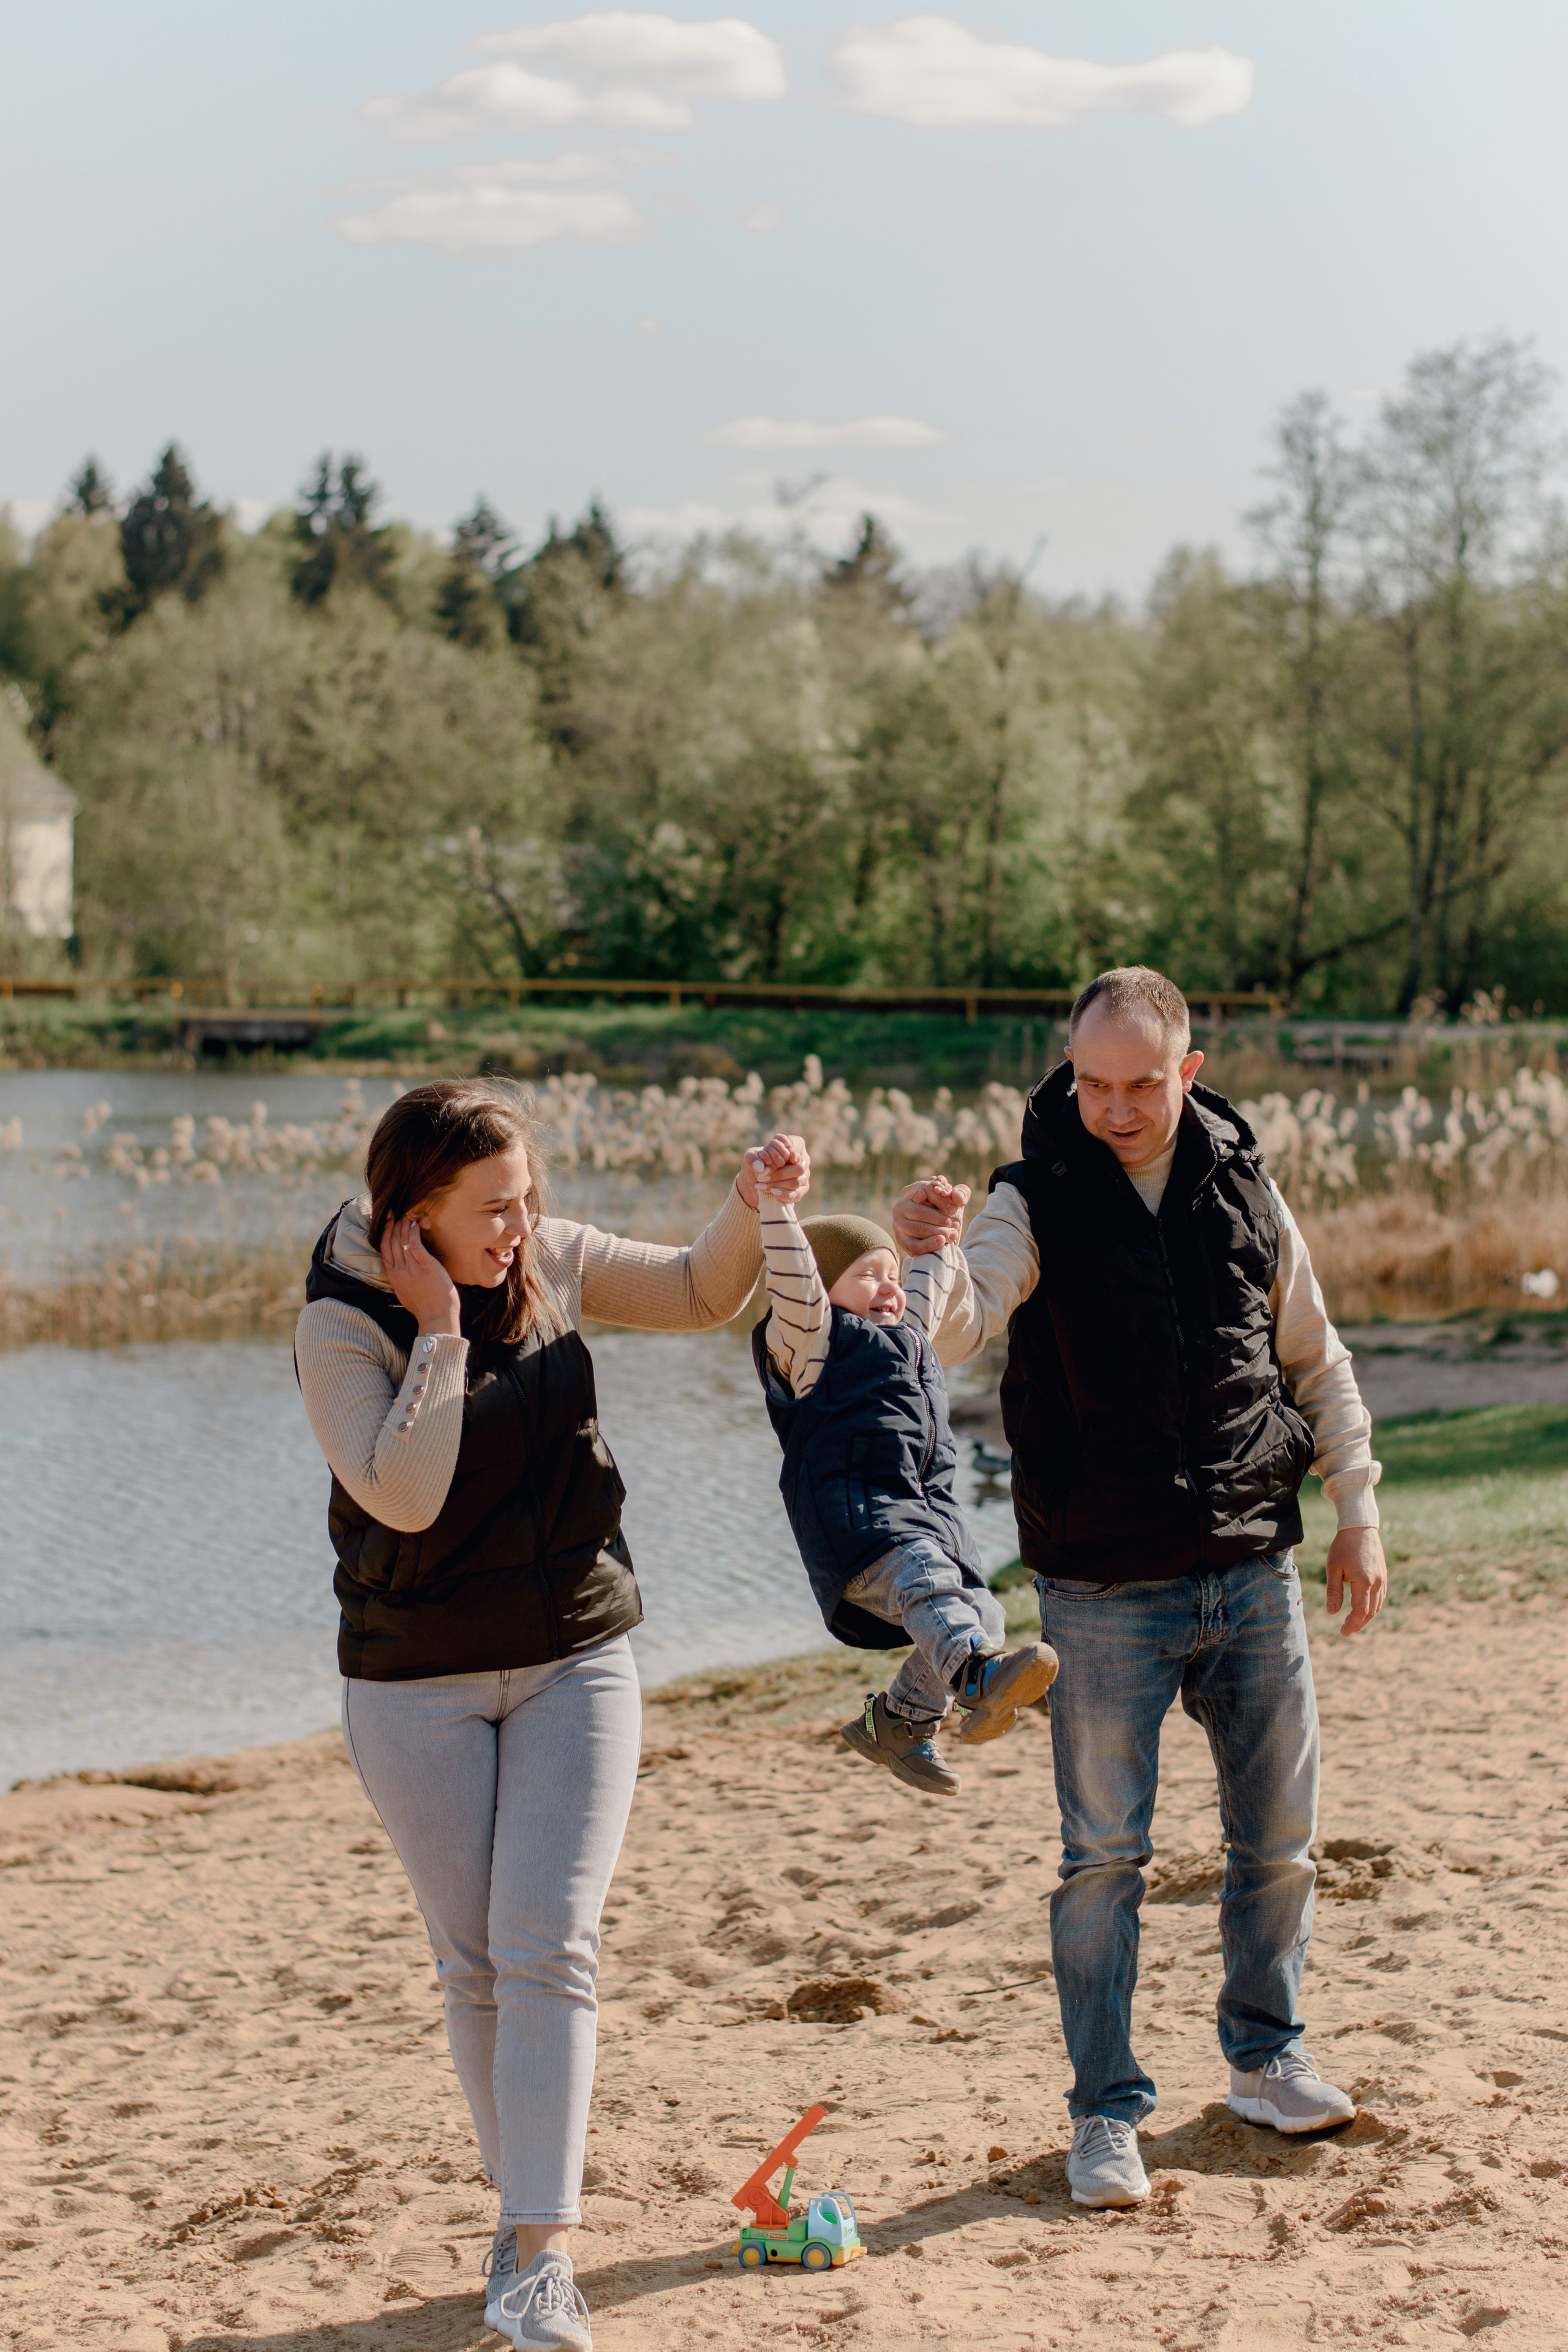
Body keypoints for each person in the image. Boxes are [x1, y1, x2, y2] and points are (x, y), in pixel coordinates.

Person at [295, 1079, 802, 2351]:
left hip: (576, 1654)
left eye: (529, 1201)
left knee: (549, 1943)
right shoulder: (340, 1327)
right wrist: (439, 1327)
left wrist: (748, 1207)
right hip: (413, 1683)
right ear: (411, 1216)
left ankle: (540, 2250)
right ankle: (518, 2224)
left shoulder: (549, 1256)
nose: (523, 1228)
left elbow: (697, 1289)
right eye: (494, 1209)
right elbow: (403, 1495)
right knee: (475, 1962)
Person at [891, 967, 1387, 2211]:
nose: (1109, 1108)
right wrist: (924, 1261)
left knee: (1275, 1843)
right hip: (1101, 1587)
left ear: (1189, 1068)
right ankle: (1104, 2115)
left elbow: (1314, 1361)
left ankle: (1266, 2062)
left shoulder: (1245, 1185)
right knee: (1102, 1860)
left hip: (1250, 1566)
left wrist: (1356, 1512)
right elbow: (960, 1323)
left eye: (1137, 1086)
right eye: (1088, 1084)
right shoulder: (1030, 1194)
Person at [749, 1134, 1057, 1797]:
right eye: (867, 1275)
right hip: (861, 1527)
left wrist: (944, 1236)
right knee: (932, 1588)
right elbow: (793, 1276)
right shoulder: (810, 1343)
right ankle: (973, 1679)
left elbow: (929, 1279)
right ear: (823, 1288)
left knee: (984, 1612)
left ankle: (900, 1719)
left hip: (927, 1524)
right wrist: (776, 1207)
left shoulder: (909, 1339)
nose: (888, 1286)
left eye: (890, 1273)